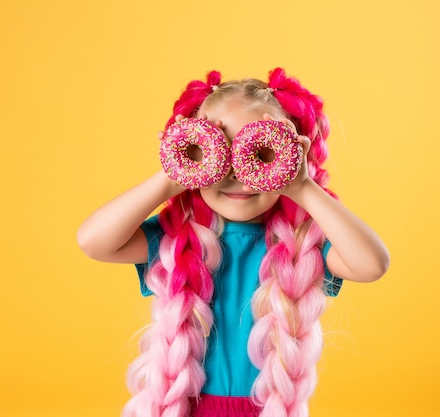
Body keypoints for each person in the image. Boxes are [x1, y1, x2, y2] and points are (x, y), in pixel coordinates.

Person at [77, 68, 390, 417]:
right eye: (214, 151)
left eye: (262, 152)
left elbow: (371, 264)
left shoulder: (304, 246)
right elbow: (93, 241)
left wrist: (302, 186)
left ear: (295, 155)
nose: (236, 172)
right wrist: (170, 177)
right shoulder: (179, 239)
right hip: (183, 406)